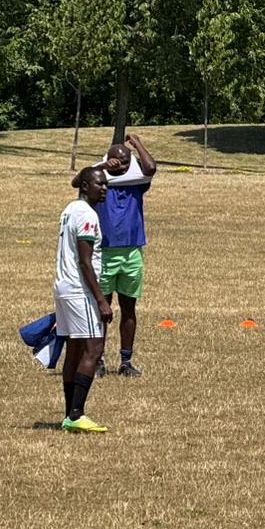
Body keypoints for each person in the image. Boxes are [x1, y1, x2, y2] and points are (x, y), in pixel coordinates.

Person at [94, 132, 157, 377]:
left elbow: (150, 167)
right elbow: (78, 181)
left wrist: (137, 144)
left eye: (125, 161)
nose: (121, 164)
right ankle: (97, 359)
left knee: (128, 307)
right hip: (105, 253)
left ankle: (125, 361)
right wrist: (103, 166)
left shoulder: (137, 183)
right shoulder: (99, 184)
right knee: (101, 309)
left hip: (132, 252)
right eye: (116, 160)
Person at [56, 167, 113, 433]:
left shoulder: (70, 209)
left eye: (106, 185)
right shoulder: (88, 215)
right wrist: (101, 300)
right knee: (94, 348)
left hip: (64, 287)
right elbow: (85, 261)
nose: (104, 189)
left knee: (74, 351)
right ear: (86, 186)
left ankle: (70, 414)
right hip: (80, 290)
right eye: (99, 184)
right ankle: (77, 414)